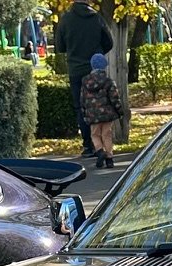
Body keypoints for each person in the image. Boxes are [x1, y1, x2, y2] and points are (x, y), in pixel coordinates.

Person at [55, 0, 114, 158]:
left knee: (80, 107)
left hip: (75, 69)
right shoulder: (97, 18)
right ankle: (101, 144)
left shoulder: (66, 19)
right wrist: (98, 52)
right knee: (100, 103)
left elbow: (60, 47)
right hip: (95, 69)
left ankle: (88, 144)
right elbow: (109, 42)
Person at [80, 52, 123, 169]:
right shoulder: (108, 81)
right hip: (107, 114)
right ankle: (109, 159)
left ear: (92, 66)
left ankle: (99, 151)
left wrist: (84, 112)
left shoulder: (85, 81)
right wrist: (119, 110)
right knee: (107, 135)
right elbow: (114, 97)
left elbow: (82, 99)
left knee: (95, 135)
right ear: (105, 66)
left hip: (92, 114)